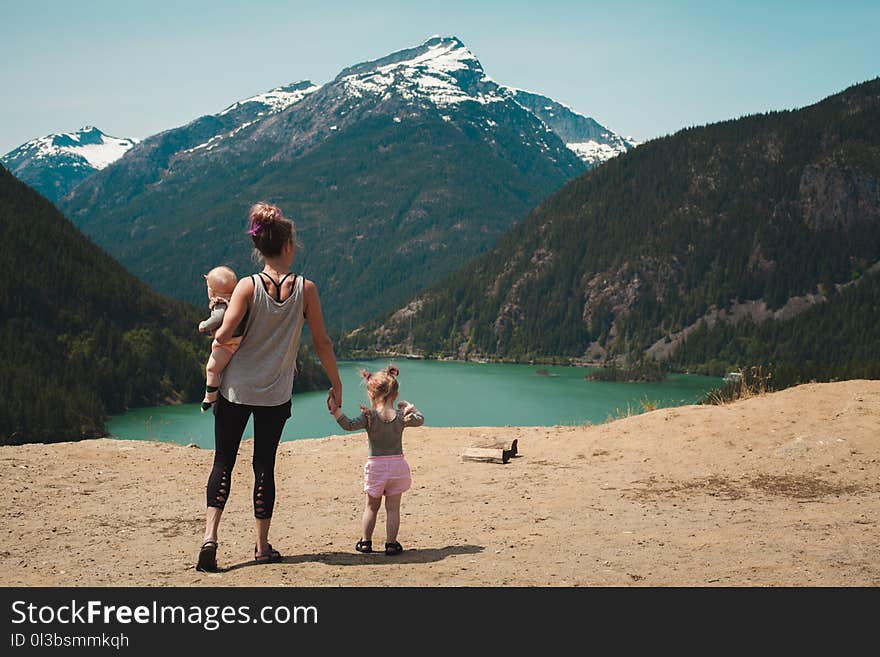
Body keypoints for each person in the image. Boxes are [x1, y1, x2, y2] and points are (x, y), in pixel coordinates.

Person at [196, 202, 342, 572]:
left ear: (260, 248)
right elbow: (322, 342)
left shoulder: (247, 286)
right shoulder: (306, 289)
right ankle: (261, 547)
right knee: (264, 467)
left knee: (223, 461)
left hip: (235, 391)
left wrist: (216, 338)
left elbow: (226, 332)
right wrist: (336, 383)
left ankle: (210, 537)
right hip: (275, 395)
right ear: (289, 245)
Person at [327, 365, 424, 556]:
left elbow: (348, 424)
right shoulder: (401, 417)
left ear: (371, 395)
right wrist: (411, 409)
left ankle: (366, 542)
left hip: (376, 468)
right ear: (395, 395)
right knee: (393, 509)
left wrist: (335, 411)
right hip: (398, 467)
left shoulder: (369, 417)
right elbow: (420, 420)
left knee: (371, 507)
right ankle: (391, 544)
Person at [198, 266, 248, 412]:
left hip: (228, 343)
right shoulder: (238, 299)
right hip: (242, 339)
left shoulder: (220, 303)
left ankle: (210, 396)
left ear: (211, 291)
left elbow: (217, 318)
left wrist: (203, 325)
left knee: (212, 369)